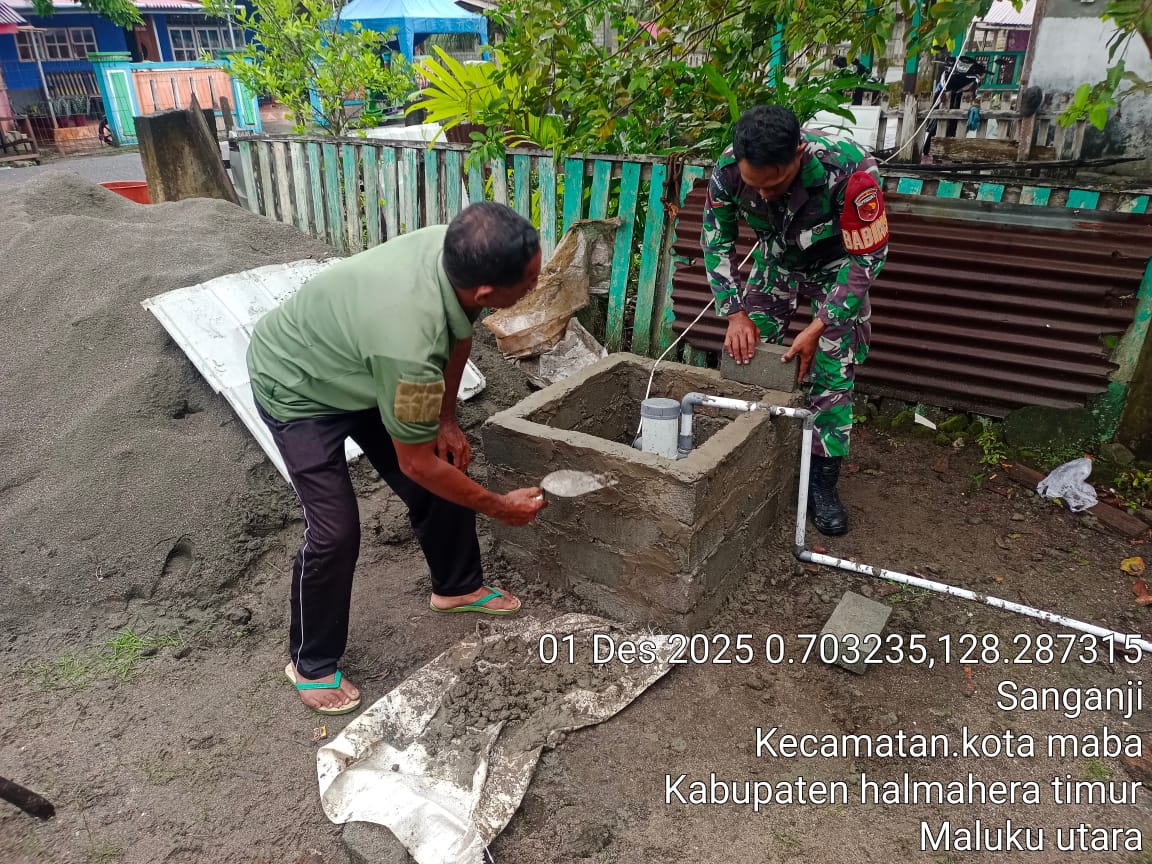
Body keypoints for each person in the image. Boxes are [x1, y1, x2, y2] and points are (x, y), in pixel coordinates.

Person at [247, 202, 548, 715]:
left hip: (362, 366)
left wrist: (447, 420)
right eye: (531, 280)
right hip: (297, 385)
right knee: (336, 529)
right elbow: (416, 465)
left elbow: (459, 335)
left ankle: (457, 586)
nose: (535, 286)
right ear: (485, 291)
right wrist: (500, 507)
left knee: (446, 459)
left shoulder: (453, 250)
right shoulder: (409, 348)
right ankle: (310, 662)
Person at [701, 104, 888, 537]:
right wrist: (735, 312)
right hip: (777, 262)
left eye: (775, 184)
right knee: (751, 355)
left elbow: (868, 258)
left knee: (832, 371)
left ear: (799, 153)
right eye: (755, 186)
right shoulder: (728, 171)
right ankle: (750, 458)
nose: (764, 195)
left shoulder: (851, 170)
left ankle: (822, 484)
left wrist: (819, 326)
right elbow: (717, 241)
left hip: (838, 267)